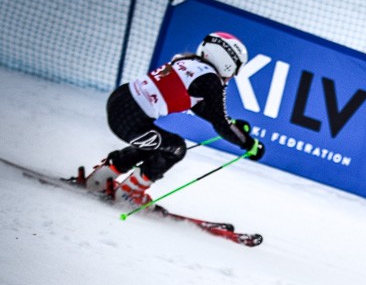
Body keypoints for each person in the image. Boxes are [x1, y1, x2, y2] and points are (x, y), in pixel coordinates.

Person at [83, 32, 264, 207]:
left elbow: (201, 108)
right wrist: (249, 144)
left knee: (157, 145)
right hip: (130, 118)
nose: (232, 76)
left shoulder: (188, 62)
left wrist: (232, 125)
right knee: (176, 148)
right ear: (228, 63)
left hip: (120, 101)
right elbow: (220, 123)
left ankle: (101, 178)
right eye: (235, 70)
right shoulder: (211, 80)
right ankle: (128, 194)